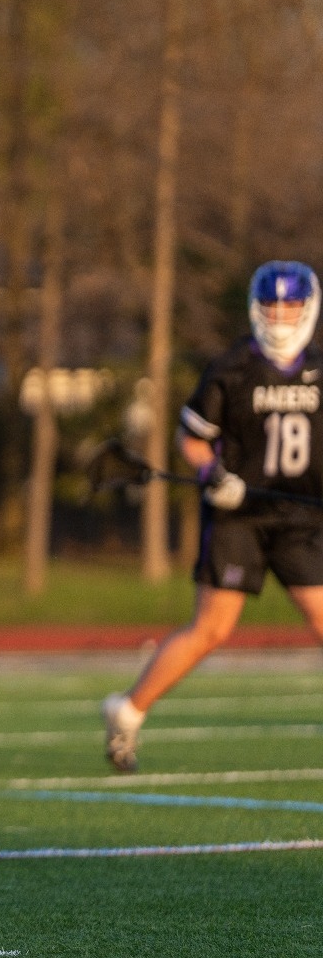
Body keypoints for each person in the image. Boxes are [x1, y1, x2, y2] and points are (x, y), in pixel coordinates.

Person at [103, 260, 323, 772]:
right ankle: (128, 712)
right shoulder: (231, 370)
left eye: (291, 305)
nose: (281, 315)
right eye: (272, 305)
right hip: (239, 517)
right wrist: (213, 475)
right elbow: (193, 439)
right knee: (213, 630)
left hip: (300, 519)